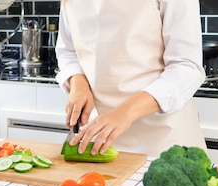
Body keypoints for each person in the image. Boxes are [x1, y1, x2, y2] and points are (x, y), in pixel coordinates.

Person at [54, 0, 207, 157]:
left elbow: (186, 67)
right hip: (95, 133)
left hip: (161, 138)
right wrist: (78, 82)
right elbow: (68, 51)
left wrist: (124, 113)